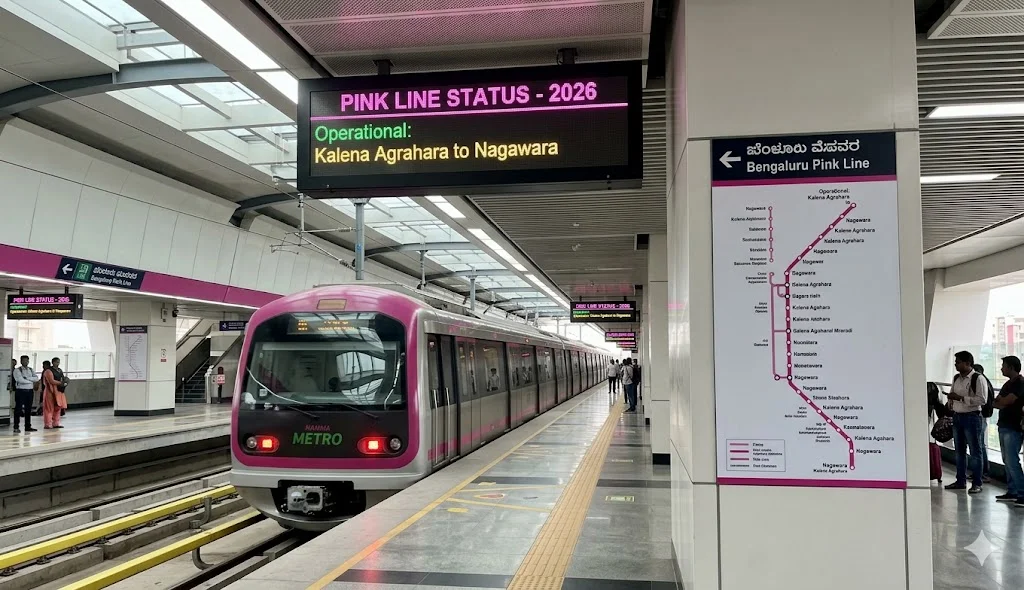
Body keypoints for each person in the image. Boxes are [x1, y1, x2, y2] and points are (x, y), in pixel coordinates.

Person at [946, 351, 988, 494]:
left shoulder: (977, 378)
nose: (956, 364)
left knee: (975, 451)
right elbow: (953, 394)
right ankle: (960, 480)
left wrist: (961, 398)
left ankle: (977, 483)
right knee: (959, 451)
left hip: (972, 417)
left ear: (967, 363)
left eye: (958, 362)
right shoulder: (956, 378)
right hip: (957, 416)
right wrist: (951, 400)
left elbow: (982, 400)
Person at [994, 356, 1024, 506]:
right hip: (1004, 424)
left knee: (1012, 461)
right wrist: (1002, 402)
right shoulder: (1007, 385)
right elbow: (996, 403)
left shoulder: (1020, 383)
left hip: (1014, 426)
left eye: (1003, 366)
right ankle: (1012, 491)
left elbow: (1005, 401)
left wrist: (1003, 402)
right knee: (1007, 460)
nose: (1001, 368)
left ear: (1011, 367)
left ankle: (1022, 493)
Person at [973, 363, 994, 482]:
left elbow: (983, 400)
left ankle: (983, 472)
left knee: (979, 445)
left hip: (980, 415)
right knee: (979, 445)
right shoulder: (985, 381)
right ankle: (980, 472)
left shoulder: (981, 382)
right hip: (982, 416)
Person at [11, 355, 40, 434]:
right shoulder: (17, 370)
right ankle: (16, 427)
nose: (26, 362)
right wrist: (31, 381)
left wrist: (27, 378)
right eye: (24, 360)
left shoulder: (30, 369)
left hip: (30, 391)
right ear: (21, 361)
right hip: (20, 391)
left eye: (27, 360)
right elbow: (20, 380)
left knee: (28, 409)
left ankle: (28, 426)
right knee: (18, 409)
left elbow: (36, 378)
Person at [42, 357, 67, 429]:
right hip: (50, 390)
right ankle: (48, 424)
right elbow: (51, 381)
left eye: (58, 362)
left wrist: (64, 383)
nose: (57, 363)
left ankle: (56, 423)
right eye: (56, 362)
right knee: (49, 408)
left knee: (58, 407)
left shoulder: (60, 370)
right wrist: (61, 383)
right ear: (52, 362)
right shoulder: (48, 371)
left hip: (59, 391)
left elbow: (63, 378)